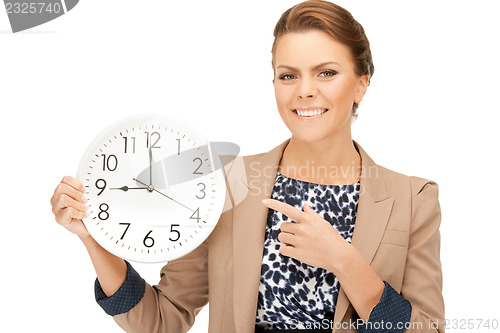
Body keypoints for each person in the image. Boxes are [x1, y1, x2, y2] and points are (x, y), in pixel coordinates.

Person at [50, 1, 445, 332]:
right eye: (288, 75)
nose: (305, 90)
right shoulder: (227, 183)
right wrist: (93, 238)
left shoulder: (413, 199)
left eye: (326, 72)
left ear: (362, 82)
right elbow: (163, 317)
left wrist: (345, 261)